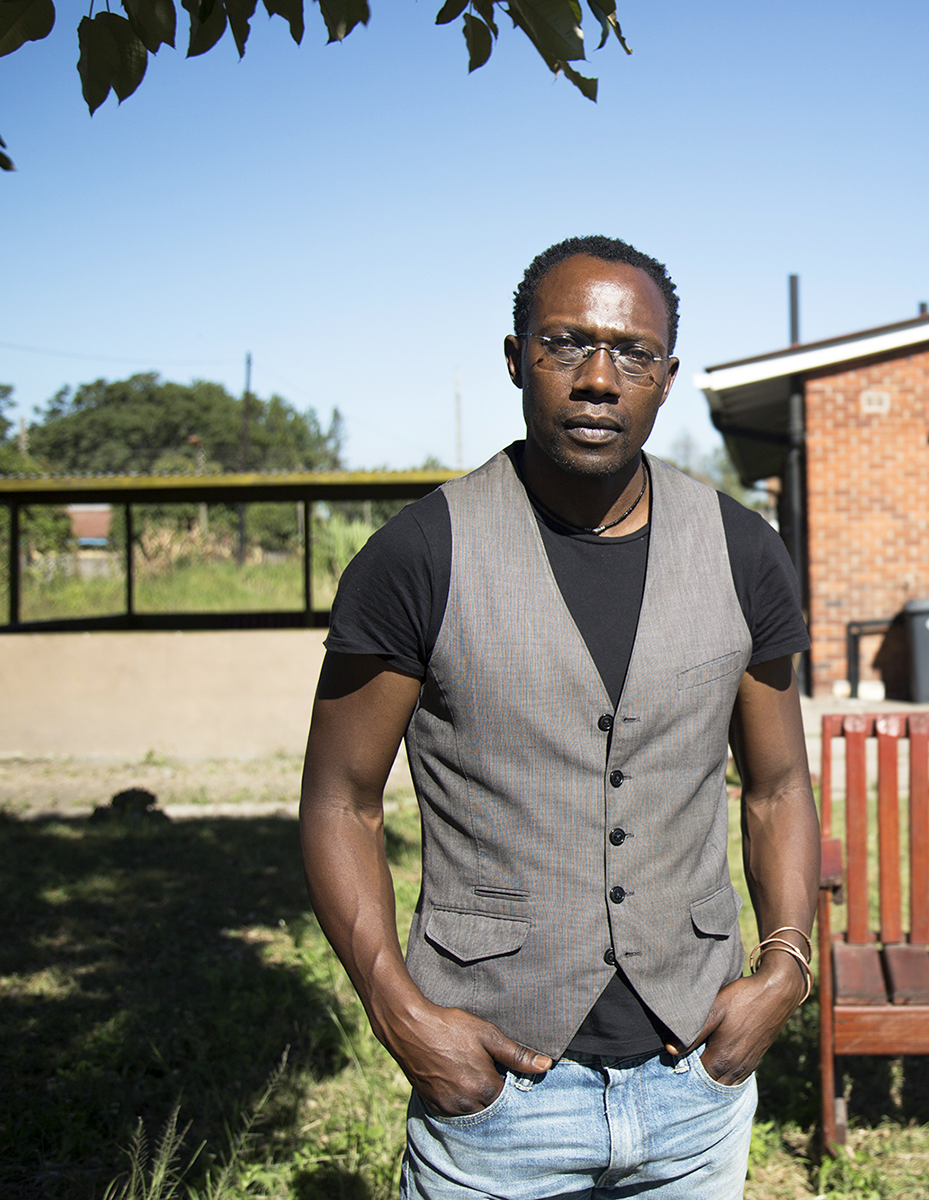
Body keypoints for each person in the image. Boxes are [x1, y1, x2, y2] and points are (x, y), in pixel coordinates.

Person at [299, 236, 819, 1199]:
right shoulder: (420, 555)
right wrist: (399, 1012)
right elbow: (341, 801)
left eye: (631, 354)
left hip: (694, 1084)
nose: (596, 379)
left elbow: (778, 783)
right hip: (495, 1094)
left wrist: (786, 962)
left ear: (666, 378)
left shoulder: (745, 552)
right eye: (564, 344)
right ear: (514, 359)